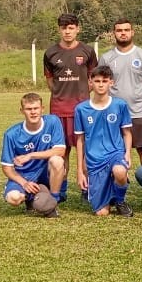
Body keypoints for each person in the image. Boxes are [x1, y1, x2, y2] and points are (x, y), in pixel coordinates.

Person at [43, 12, 96, 200]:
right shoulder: (50, 53)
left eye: (71, 27)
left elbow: (93, 77)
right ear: (59, 30)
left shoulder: (88, 51)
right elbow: (50, 80)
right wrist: (60, 94)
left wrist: (84, 94)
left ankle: (86, 188)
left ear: (77, 29)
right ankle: (61, 189)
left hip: (82, 109)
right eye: (64, 28)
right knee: (61, 151)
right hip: (59, 110)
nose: (67, 31)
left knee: (85, 151)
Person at [73, 65, 134, 217]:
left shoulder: (119, 105)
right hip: (94, 159)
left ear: (111, 83)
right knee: (102, 213)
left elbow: (127, 133)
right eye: (97, 81)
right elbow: (80, 140)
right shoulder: (81, 109)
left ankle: (119, 200)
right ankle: (107, 195)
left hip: (115, 153)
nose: (101, 84)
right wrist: (80, 170)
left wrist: (127, 154)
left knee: (120, 171)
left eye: (104, 81)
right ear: (90, 83)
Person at [0, 92, 66, 216]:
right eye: (29, 109)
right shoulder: (11, 134)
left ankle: (53, 201)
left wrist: (31, 155)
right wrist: (24, 183)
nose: (33, 112)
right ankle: (30, 198)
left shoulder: (53, 121)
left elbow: (60, 151)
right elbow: (7, 168)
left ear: (42, 109)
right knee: (13, 198)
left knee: (57, 161)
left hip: (45, 173)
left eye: (36, 108)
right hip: (24, 176)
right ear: (22, 111)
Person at [99, 18, 142, 157]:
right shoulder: (106, 58)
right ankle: (120, 178)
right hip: (114, 112)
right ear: (114, 33)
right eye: (119, 30)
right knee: (116, 150)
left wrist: (139, 96)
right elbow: (100, 83)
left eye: (126, 30)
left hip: (139, 112)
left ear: (132, 32)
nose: (123, 33)